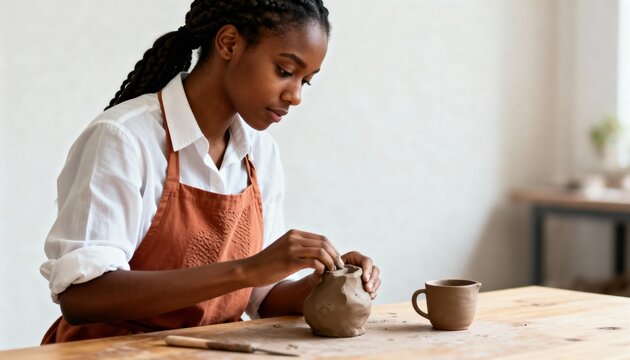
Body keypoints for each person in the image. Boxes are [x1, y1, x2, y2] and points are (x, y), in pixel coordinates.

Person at [40, 0, 381, 344]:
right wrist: (248, 269)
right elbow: (82, 297)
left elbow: (260, 298)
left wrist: (329, 281)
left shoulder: (260, 154)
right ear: (229, 43)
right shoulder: (123, 139)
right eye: (284, 71)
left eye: (305, 81)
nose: (295, 97)